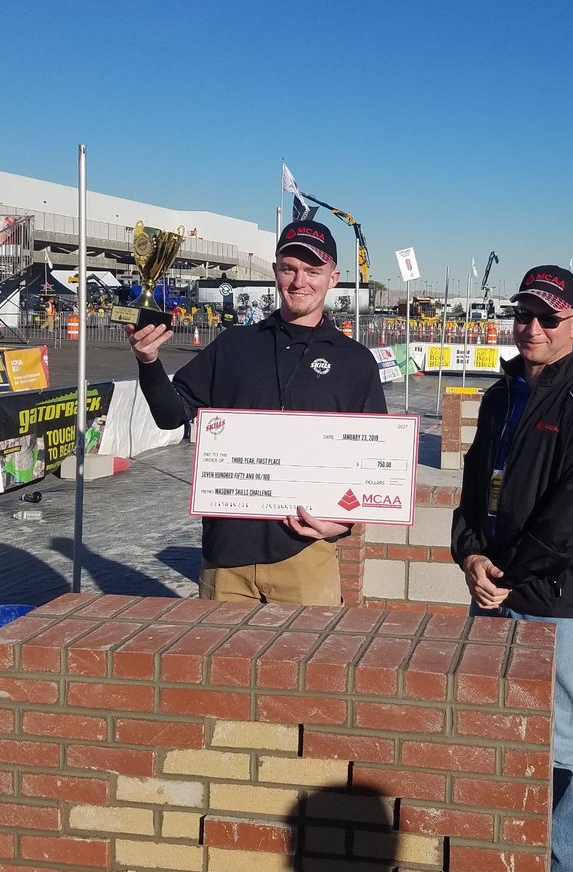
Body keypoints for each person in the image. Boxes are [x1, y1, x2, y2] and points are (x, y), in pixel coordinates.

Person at [452, 265, 573, 872]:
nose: (532, 328)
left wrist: (509, 575)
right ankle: (501, 855)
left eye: (548, 318)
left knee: (565, 737)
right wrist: (470, 558)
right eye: (524, 315)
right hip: (492, 584)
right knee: (492, 721)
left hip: (556, 597)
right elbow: (473, 490)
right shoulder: (500, 396)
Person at [129, 220, 387, 605]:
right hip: (226, 558)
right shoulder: (233, 346)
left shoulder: (355, 362)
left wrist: (345, 521)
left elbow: (376, 457)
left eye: (313, 271)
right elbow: (171, 416)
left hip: (304, 555)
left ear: (333, 278)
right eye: (289, 269)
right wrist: (148, 362)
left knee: (306, 663)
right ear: (275, 272)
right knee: (221, 664)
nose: (300, 281)